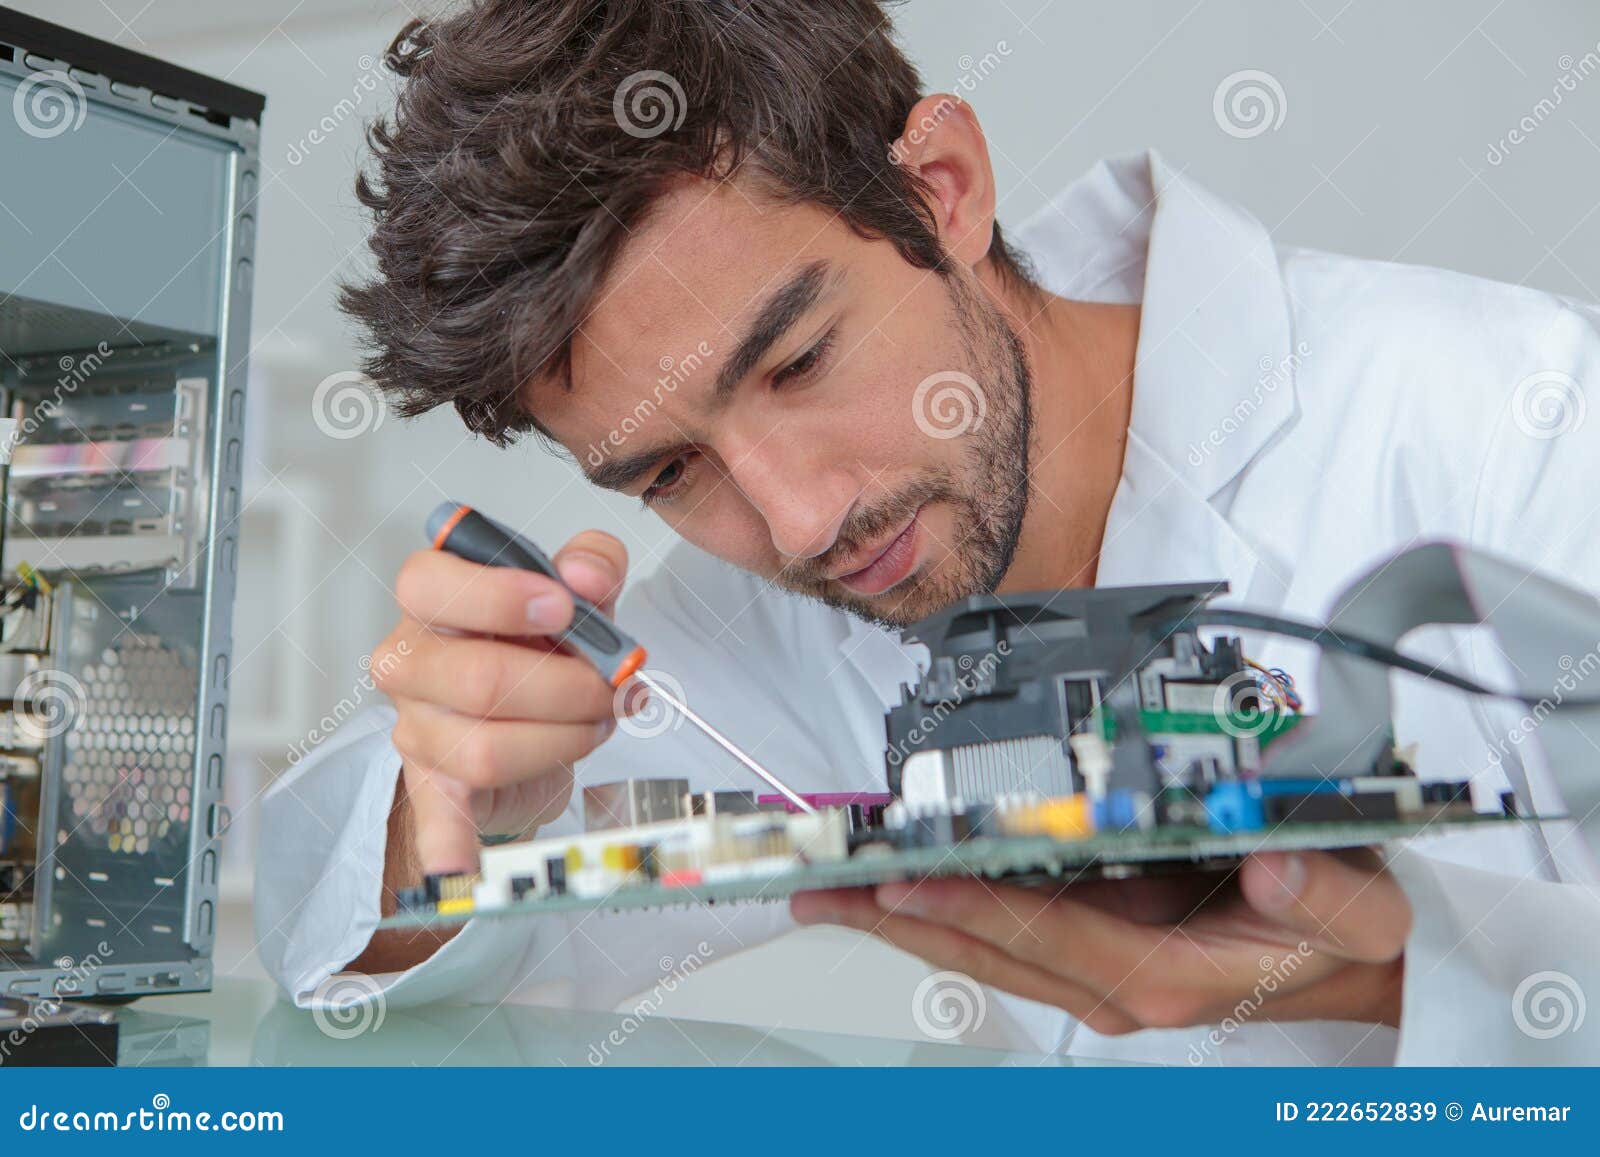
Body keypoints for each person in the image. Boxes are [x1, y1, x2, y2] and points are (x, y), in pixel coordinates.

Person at [256, 0, 1600, 1064]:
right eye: (672, 470)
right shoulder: (760, 620)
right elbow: (352, 953)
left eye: (798, 359)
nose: (800, 518)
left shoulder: (1525, 423)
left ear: (942, 186)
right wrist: (462, 795)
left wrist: (1400, 978)